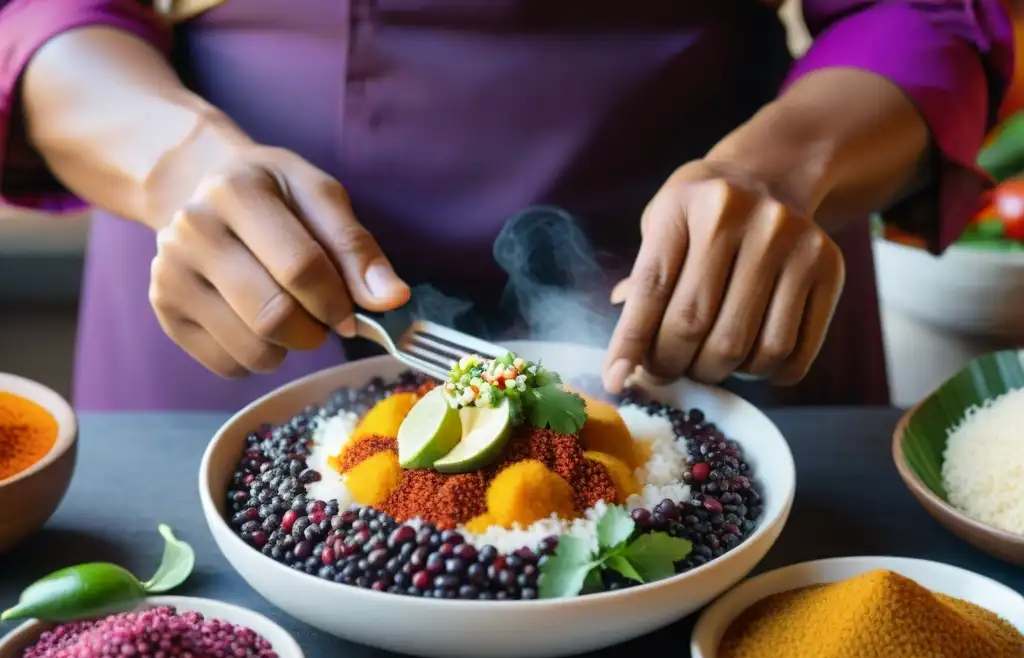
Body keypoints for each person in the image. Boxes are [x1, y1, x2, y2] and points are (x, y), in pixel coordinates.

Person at [0, 0, 1011, 410]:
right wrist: (173, 159)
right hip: (239, 277)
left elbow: (918, 12)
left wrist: (790, 170)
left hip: (709, 279)